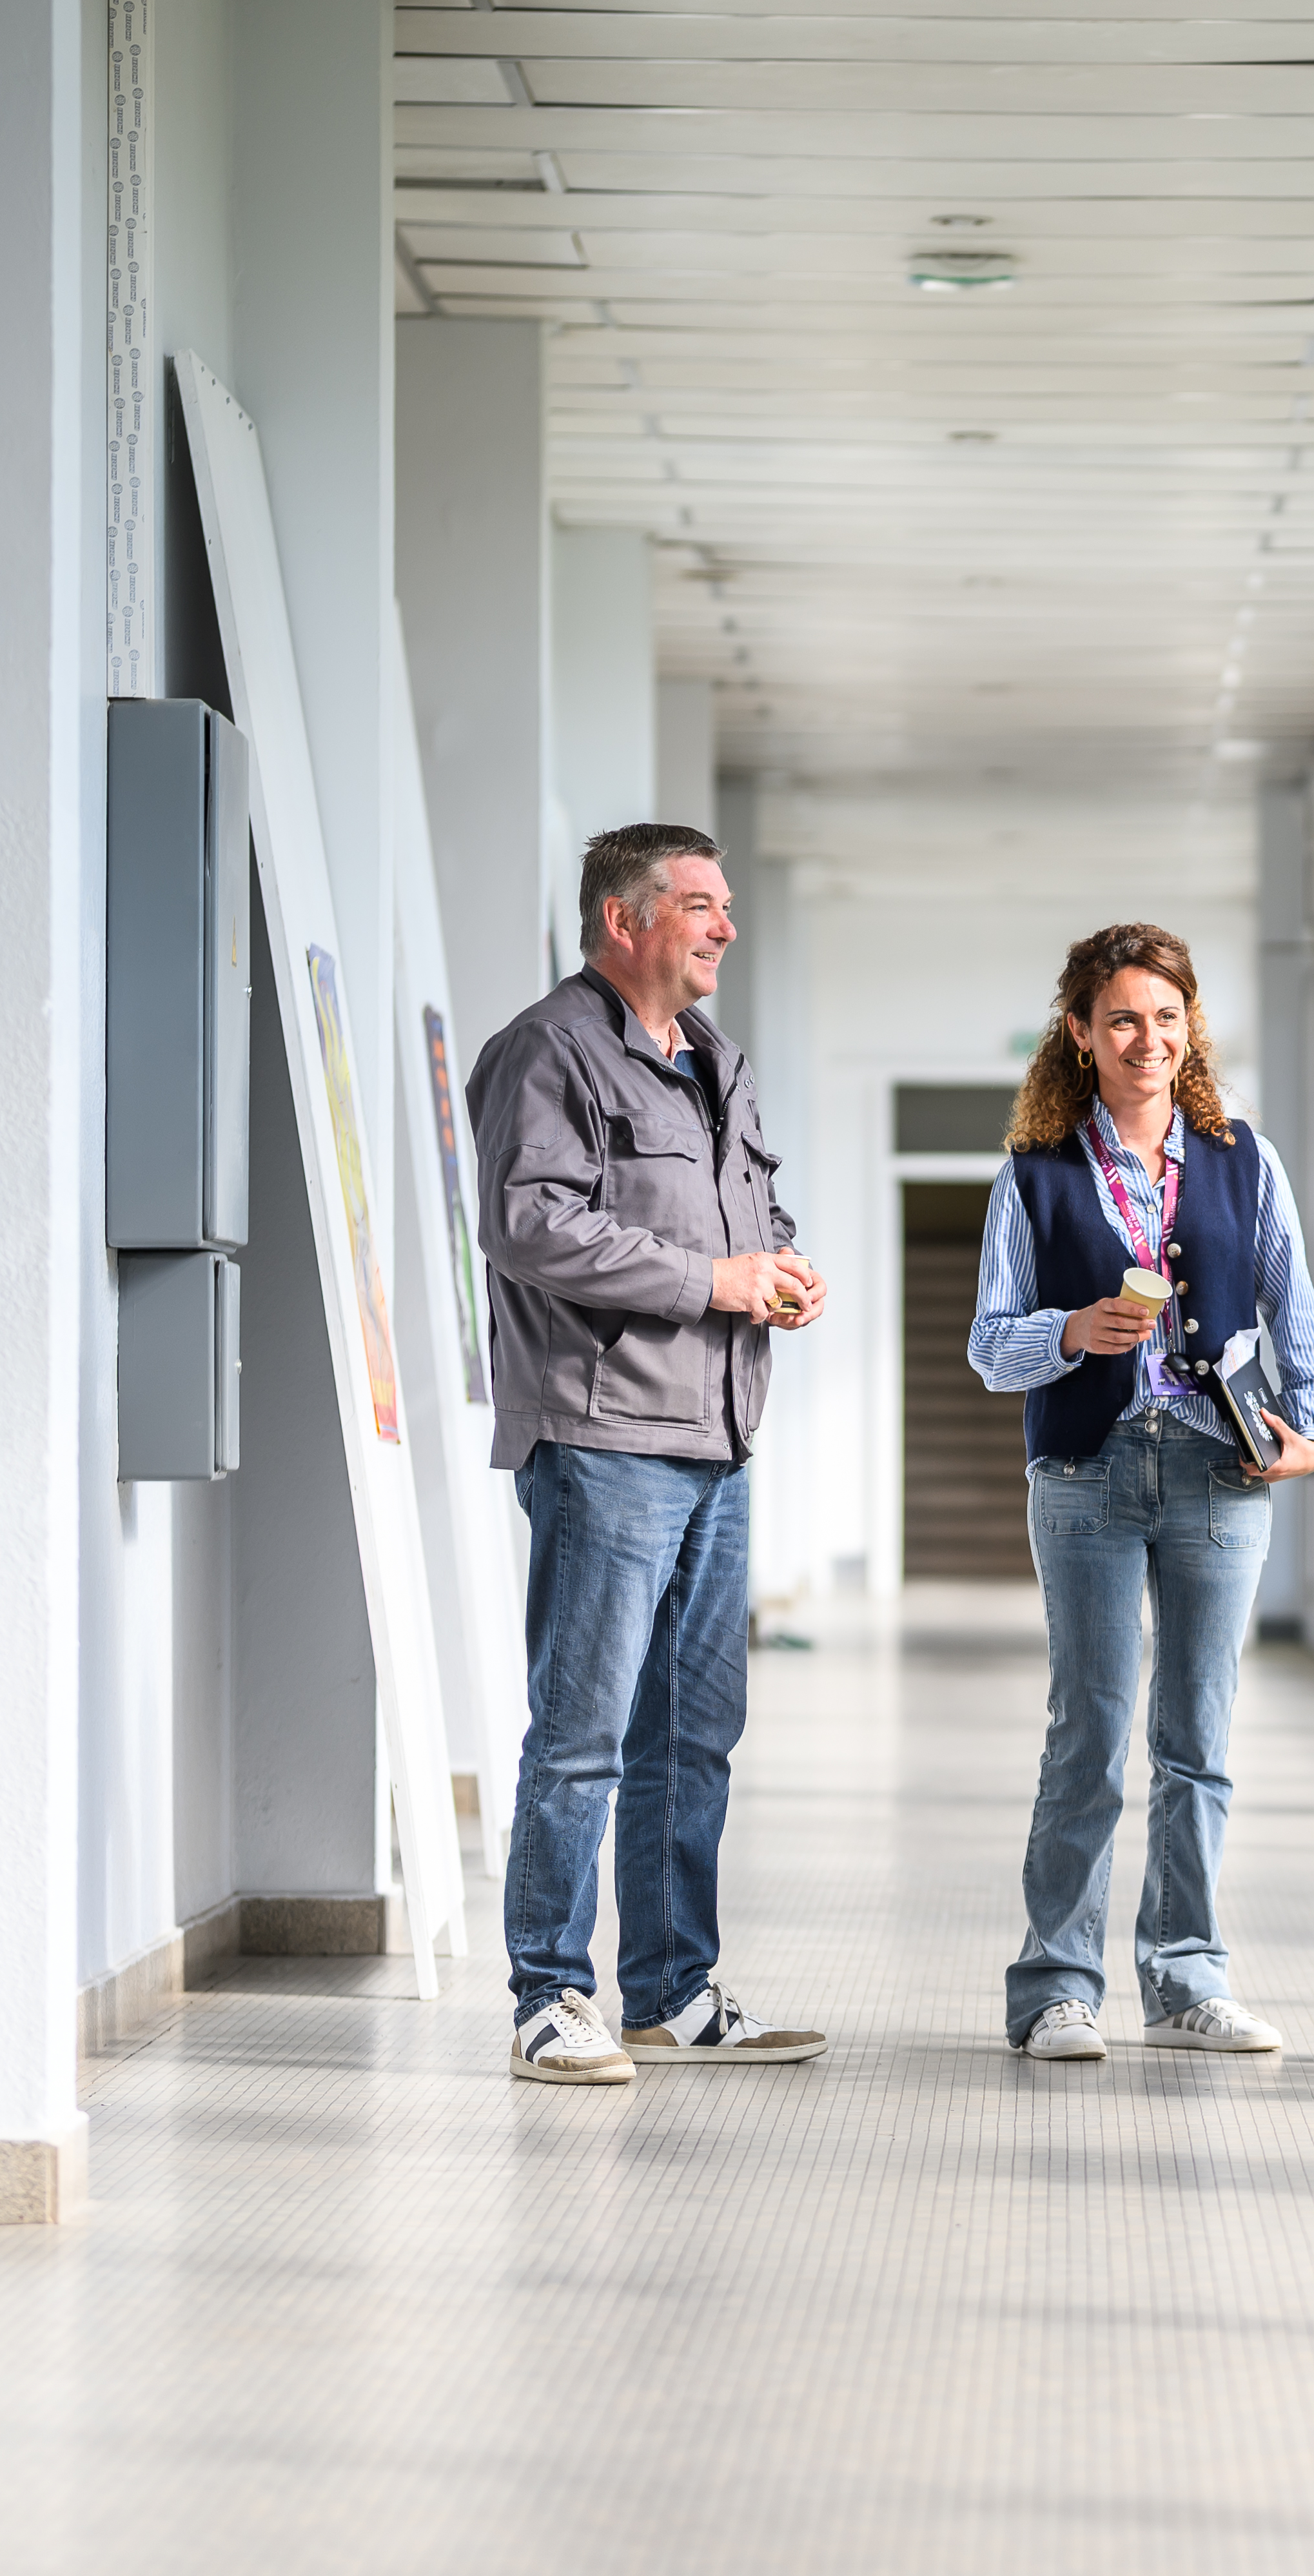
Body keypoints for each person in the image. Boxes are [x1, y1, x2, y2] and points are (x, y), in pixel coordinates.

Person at [467, 822, 831, 2085]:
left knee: (694, 1733)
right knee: (583, 1731)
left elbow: (741, 1212)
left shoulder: (712, 1062)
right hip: (606, 1436)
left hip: (714, 1440)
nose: (724, 925)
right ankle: (546, 1999)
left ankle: (669, 1994)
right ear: (624, 921)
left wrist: (772, 1264)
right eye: (699, 905)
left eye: (725, 904)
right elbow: (528, 1229)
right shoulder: (551, 1052)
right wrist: (711, 1278)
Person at [971, 924, 1314, 2061]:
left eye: (1167, 1018)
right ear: (1081, 1035)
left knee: (1199, 1738)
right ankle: (1056, 1991)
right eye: (1123, 1019)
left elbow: (1298, 1324)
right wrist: (1071, 1333)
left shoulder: (1246, 1159)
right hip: (1087, 1471)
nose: (1148, 1039)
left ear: (1192, 1033)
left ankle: (1187, 1983)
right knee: (1087, 1730)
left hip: (1217, 1471)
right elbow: (992, 1346)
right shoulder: (1036, 1174)